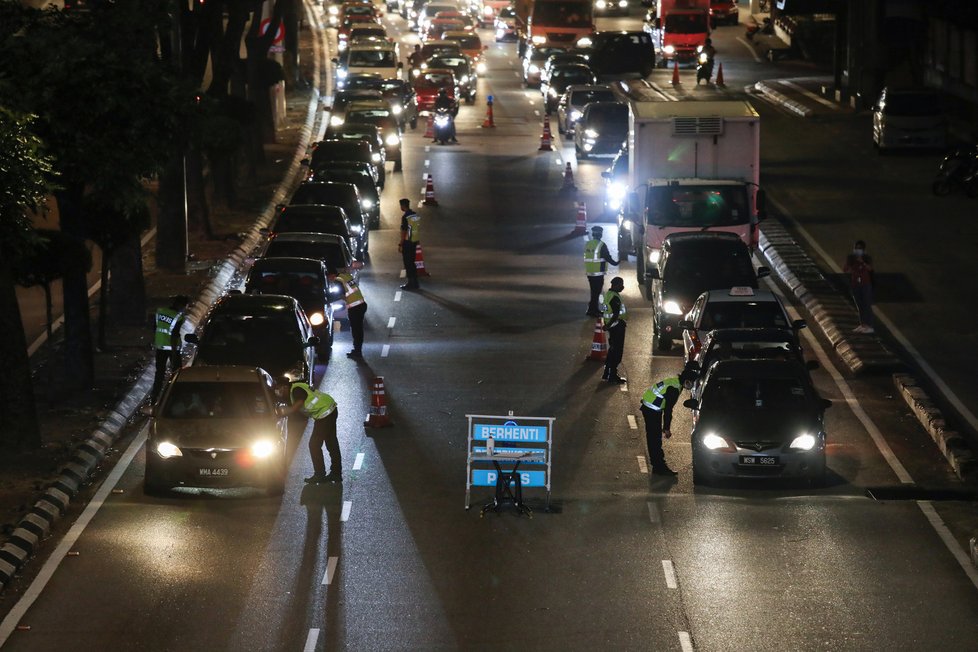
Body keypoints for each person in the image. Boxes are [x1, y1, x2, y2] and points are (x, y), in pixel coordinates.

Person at [640, 370, 695, 476]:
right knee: (655, 439)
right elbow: (668, 410)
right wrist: (666, 429)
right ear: (686, 381)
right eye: (691, 383)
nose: (691, 386)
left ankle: (657, 465)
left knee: (654, 438)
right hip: (651, 409)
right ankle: (659, 466)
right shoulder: (674, 389)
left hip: (651, 407)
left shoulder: (675, 383)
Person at [287, 382, 342, 484]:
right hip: (330, 409)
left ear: (285, 386)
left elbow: (299, 402)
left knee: (314, 445)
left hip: (324, 413)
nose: (279, 391)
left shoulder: (296, 390)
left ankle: (320, 474)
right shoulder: (295, 389)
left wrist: (287, 411)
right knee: (331, 443)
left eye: (279, 388)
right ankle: (336, 473)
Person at [152, 295, 189, 402]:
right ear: (180, 305)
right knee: (177, 373)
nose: (185, 308)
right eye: (185, 306)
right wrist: (173, 352)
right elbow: (174, 335)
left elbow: (155, 328)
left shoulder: (160, 312)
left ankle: (155, 397)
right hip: (173, 348)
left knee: (159, 373)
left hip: (160, 346)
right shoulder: (178, 317)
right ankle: (175, 395)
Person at [584, 225, 619, 317]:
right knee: (596, 292)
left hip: (590, 273)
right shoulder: (601, 245)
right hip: (598, 273)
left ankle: (592, 309)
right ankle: (593, 310)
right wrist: (616, 263)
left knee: (593, 291)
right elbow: (607, 257)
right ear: (600, 234)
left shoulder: (588, 244)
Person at [335, 266, 367, 358]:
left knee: (356, 330)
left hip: (355, 307)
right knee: (358, 329)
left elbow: (341, 295)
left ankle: (357, 351)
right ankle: (357, 350)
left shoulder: (338, 280)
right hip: (361, 305)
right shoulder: (346, 276)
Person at [843, 239, 875, 334]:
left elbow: (870, 268)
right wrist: (850, 265)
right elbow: (846, 269)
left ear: (863, 250)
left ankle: (870, 326)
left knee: (866, 305)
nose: (857, 250)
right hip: (855, 284)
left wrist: (863, 262)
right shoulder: (851, 258)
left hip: (865, 284)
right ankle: (863, 325)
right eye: (856, 248)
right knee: (860, 306)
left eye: (860, 248)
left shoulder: (867, 258)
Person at [601, 276, 627, 383]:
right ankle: (612, 375)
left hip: (611, 327)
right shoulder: (615, 297)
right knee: (616, 351)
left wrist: (607, 325)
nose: (622, 287)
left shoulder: (608, 295)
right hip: (617, 326)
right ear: (616, 285)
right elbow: (616, 314)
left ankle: (607, 372)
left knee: (612, 350)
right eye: (621, 284)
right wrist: (609, 325)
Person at [399, 198, 422, 290]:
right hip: (414, 241)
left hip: (407, 242)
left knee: (408, 263)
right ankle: (415, 282)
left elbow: (404, 231)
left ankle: (411, 283)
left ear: (403, 206)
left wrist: (401, 244)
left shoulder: (405, 217)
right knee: (412, 262)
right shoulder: (414, 215)